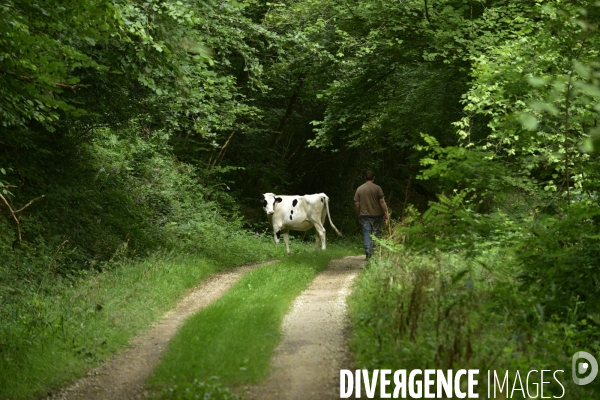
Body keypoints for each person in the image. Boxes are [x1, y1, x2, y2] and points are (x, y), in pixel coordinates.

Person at [354, 170, 389, 259]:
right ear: (374, 178)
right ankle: (374, 251)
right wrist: (386, 212)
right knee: (376, 233)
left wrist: (359, 213)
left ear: (365, 178)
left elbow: (357, 204)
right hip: (376, 215)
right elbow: (381, 201)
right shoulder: (378, 188)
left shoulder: (359, 189)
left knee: (367, 233)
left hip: (364, 215)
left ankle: (368, 252)